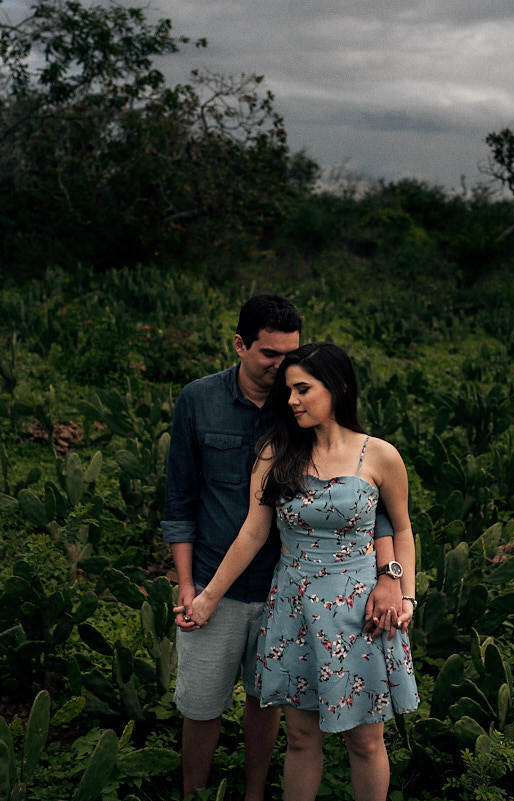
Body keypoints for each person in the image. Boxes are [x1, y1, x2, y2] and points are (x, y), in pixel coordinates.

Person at [163, 299, 403, 801]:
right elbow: (210, 513)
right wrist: (196, 590)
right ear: (240, 345)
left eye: (299, 379)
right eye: (271, 357)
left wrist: (394, 580)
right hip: (259, 591)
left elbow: (384, 515)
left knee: (330, 727)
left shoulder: (356, 442)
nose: (287, 386)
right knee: (237, 717)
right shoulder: (223, 414)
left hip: (326, 599)